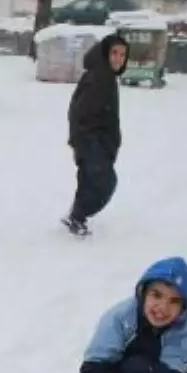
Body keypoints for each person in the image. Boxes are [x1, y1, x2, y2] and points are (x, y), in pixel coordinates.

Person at [62, 33, 129, 237]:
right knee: (105, 183)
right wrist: (86, 143)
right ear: (105, 54)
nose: (118, 58)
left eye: (123, 55)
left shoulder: (105, 76)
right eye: (114, 53)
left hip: (97, 142)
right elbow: (78, 112)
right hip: (92, 142)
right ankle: (77, 215)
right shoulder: (98, 78)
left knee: (88, 182)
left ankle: (76, 218)